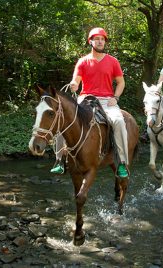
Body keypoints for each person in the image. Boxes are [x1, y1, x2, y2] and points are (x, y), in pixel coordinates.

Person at [64, 27, 129, 178]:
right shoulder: (83, 61)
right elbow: (76, 80)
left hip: (107, 100)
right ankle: (60, 160)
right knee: (66, 117)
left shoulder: (113, 61)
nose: (100, 42)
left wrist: (116, 97)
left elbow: (121, 83)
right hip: (85, 99)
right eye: (97, 39)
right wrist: (74, 84)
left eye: (102, 39)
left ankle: (122, 163)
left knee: (119, 121)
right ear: (90, 41)